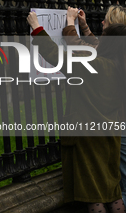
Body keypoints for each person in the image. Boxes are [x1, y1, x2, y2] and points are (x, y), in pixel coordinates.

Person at [27, 11, 126, 213]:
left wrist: (37, 28)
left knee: (93, 193)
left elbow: (55, 55)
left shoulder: (93, 66)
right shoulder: (119, 68)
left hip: (88, 137)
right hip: (111, 136)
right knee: (112, 191)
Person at [64, 5, 126, 206]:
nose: (102, 23)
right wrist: (86, 28)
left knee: (111, 188)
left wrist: (70, 23)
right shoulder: (120, 55)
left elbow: (83, 51)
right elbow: (101, 49)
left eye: (106, 22)